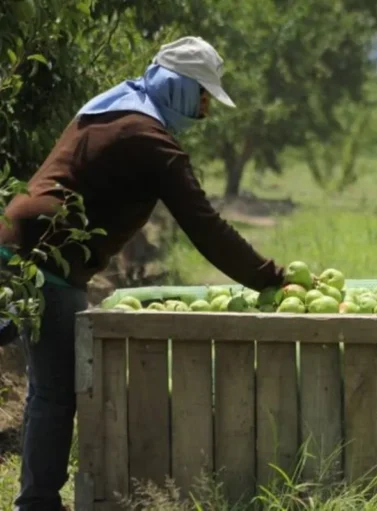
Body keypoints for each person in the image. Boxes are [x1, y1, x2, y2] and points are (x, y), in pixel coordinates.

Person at [0, 36, 286, 511]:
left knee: (40, 380)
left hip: (17, 243)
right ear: (179, 88)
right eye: (203, 97)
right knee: (54, 392)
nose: (205, 112)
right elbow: (206, 227)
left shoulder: (112, 107)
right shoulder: (148, 139)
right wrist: (272, 278)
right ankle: (37, 504)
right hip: (47, 261)